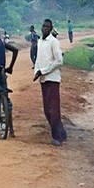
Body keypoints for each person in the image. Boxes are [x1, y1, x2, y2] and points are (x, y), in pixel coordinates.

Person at [32, 18, 67, 146]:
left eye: (47, 27)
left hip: (52, 79)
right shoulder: (40, 41)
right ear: (41, 27)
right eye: (43, 26)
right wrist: (36, 71)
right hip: (43, 80)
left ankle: (56, 137)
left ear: (51, 29)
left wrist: (44, 70)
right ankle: (61, 132)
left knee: (54, 109)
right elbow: (38, 59)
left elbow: (59, 61)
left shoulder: (54, 42)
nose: (45, 29)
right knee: (47, 109)